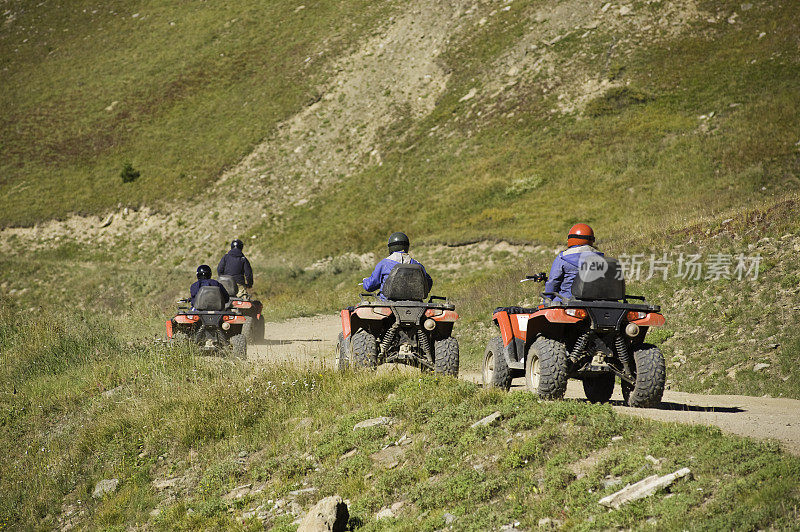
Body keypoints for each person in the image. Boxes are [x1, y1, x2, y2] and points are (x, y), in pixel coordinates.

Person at [362, 232, 432, 300]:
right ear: (407, 246)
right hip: (415, 305)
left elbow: (369, 286)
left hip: (388, 304)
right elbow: (428, 284)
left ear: (391, 247)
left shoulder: (384, 264)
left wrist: (365, 281)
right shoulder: (418, 265)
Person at [544, 223, 604, 302]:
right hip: (594, 302)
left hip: (567, 301)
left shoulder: (563, 257)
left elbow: (553, 281)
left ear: (570, 239)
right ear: (592, 239)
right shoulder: (602, 258)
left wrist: (546, 301)